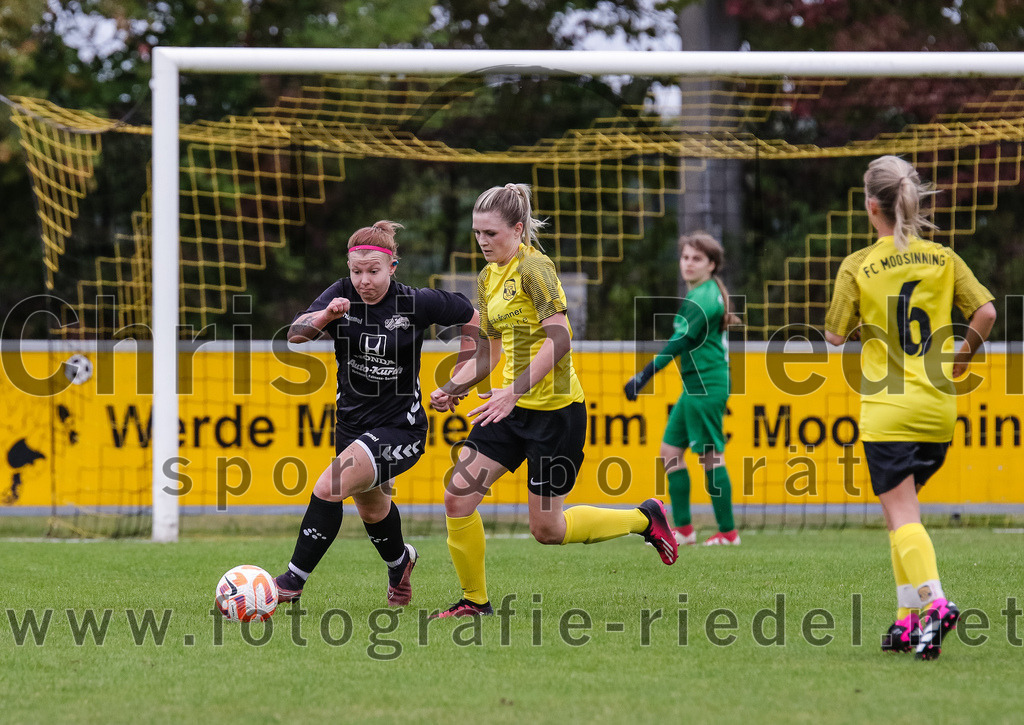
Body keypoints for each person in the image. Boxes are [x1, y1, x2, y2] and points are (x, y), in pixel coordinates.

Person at [428, 183, 678, 618]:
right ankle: (475, 601)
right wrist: (454, 387)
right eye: (477, 233)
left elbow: (561, 338)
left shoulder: (535, 268)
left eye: (491, 233)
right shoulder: (488, 279)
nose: (483, 242)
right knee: (457, 496)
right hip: (505, 409)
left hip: (556, 414)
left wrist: (514, 391)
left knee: (548, 529)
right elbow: (487, 353)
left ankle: (645, 517)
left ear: (518, 229)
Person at [824, 155, 996, 660]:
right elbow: (985, 311)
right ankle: (906, 620)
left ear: (871, 206)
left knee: (901, 516)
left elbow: (834, 336)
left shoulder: (858, 265)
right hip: (939, 408)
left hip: (888, 410)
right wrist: (962, 356)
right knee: (903, 514)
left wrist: (866, 323)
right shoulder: (943, 259)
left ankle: (935, 604)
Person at [273, 221, 477, 607]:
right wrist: (324, 318)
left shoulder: (414, 302)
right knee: (372, 508)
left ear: (393, 267)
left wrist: (461, 377)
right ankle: (401, 563)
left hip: (402, 429)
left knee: (328, 486)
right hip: (351, 426)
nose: (364, 281)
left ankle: (292, 581)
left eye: (373, 272)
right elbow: (295, 335)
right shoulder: (341, 294)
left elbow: (472, 316)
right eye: (356, 272)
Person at [624, 232, 740, 547]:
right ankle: (685, 531)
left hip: (706, 385)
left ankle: (728, 533)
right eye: (685, 257)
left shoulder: (702, 298)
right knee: (670, 452)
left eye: (697, 259)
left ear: (712, 265)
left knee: (711, 456)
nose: (688, 264)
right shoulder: (706, 292)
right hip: (697, 385)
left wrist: (644, 375)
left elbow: (677, 344)